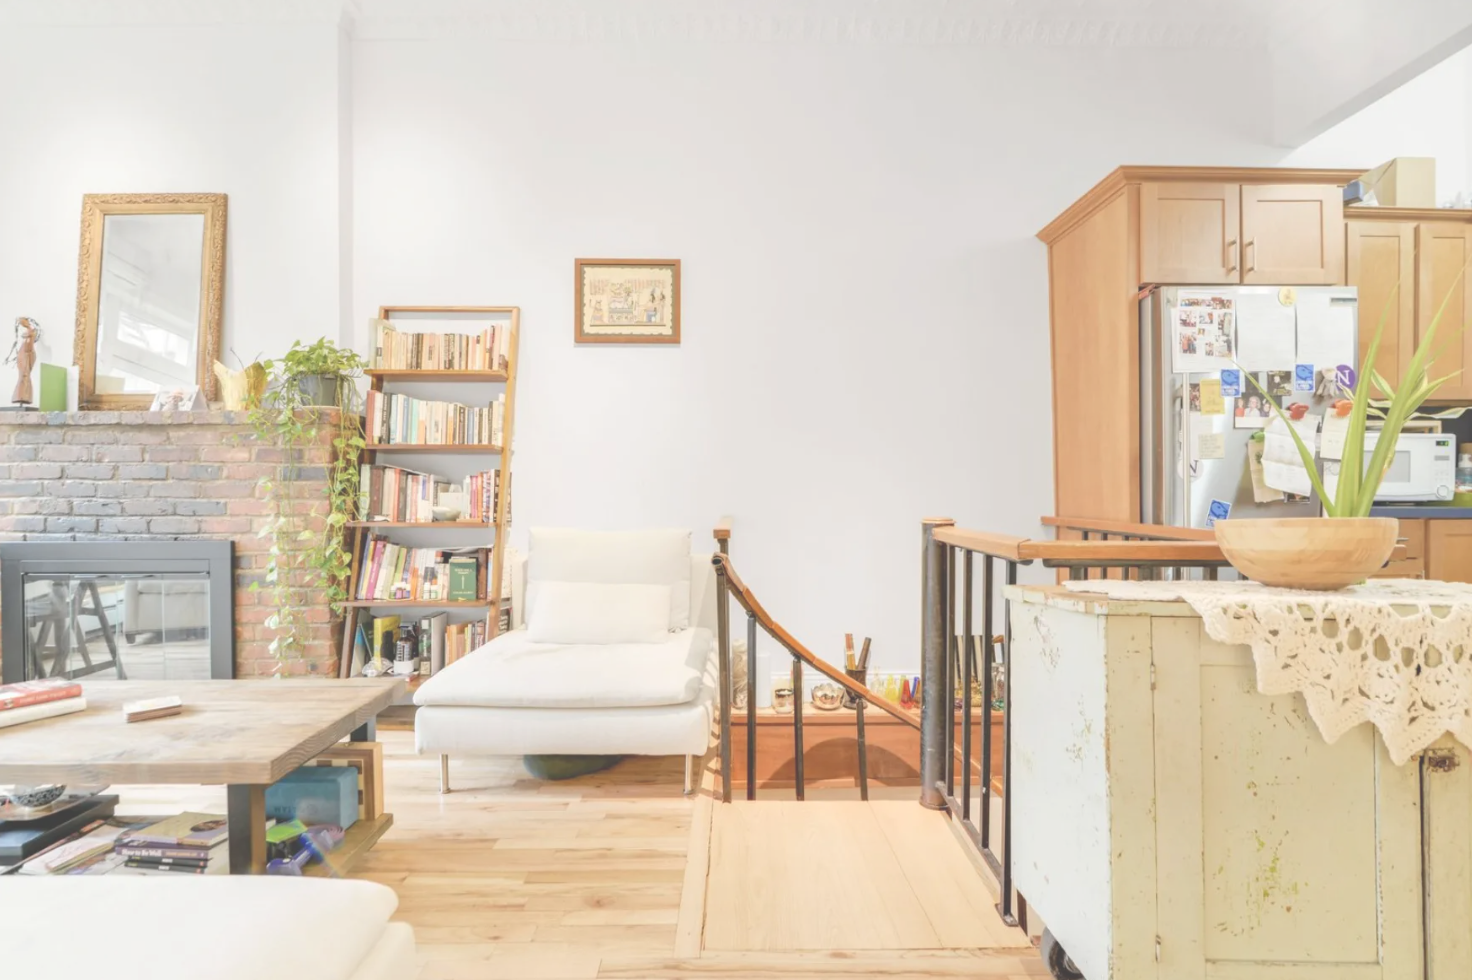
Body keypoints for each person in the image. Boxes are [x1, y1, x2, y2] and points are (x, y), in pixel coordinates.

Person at [5, 318, 39, 406]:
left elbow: (29, 346)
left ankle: (23, 396)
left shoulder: (30, 336)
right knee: (23, 376)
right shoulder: (26, 340)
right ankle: (21, 396)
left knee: (24, 376)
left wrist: (28, 329)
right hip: (24, 355)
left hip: (26, 355)